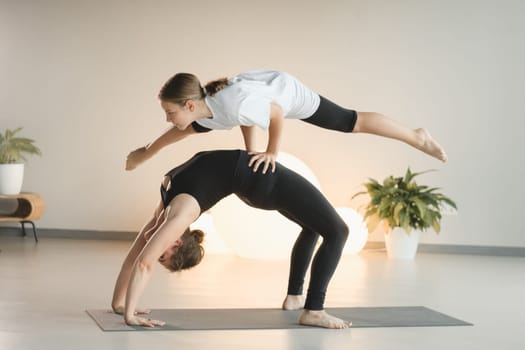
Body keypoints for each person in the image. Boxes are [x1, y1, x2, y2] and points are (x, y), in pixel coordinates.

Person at [111, 149, 352, 329]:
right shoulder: (178, 214)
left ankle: (294, 296)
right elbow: (140, 261)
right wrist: (129, 315)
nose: (156, 249)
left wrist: (120, 306)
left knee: (313, 227)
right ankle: (314, 310)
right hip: (264, 181)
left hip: (257, 182)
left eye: (161, 255)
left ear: (176, 242)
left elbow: (138, 260)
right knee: (339, 231)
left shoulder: (165, 216)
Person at [125, 70, 448, 173]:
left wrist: (270, 153)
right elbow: (179, 133)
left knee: (352, 122)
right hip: (264, 92)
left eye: (171, 112)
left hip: (289, 95)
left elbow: (275, 114)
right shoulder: (210, 112)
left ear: (190, 104)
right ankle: (415, 135)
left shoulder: (230, 105)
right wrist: (146, 152)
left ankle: (416, 136)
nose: (169, 119)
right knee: (352, 122)